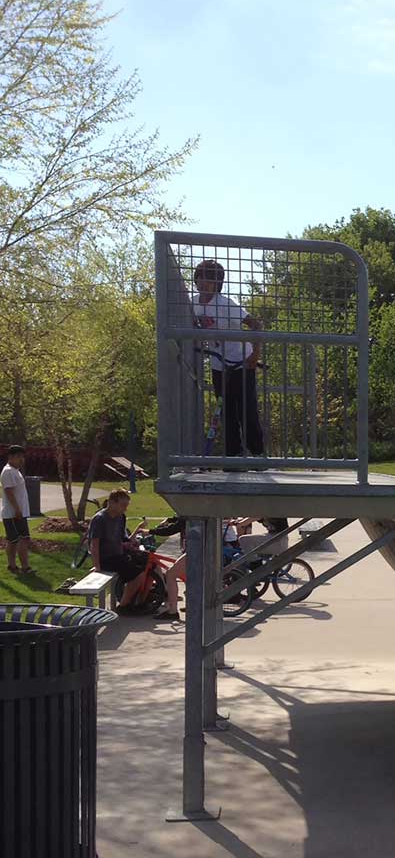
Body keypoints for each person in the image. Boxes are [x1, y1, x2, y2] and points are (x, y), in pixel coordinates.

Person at [189, 259, 268, 457]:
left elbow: (256, 325)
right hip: (218, 364)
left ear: (218, 284)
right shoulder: (192, 304)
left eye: (210, 279)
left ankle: (258, 455)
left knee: (247, 411)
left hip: (242, 362)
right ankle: (233, 456)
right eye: (201, 278)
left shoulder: (225, 304)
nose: (204, 283)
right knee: (226, 412)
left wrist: (255, 354)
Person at [89, 489, 181, 619]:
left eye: (126, 505)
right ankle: (123, 606)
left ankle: (142, 601)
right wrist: (97, 567)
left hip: (120, 554)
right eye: (123, 505)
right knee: (137, 574)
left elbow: (124, 538)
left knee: (152, 563)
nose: (125, 509)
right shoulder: (99, 519)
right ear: (112, 502)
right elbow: (94, 545)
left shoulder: (121, 517)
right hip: (107, 558)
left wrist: (135, 538)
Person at [2, 444, 30, 575]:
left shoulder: (15, 471)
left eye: (22, 457)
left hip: (17, 512)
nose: (21, 459)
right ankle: (25, 567)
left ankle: (12, 566)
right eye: (18, 457)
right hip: (14, 513)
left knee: (12, 541)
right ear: (11, 457)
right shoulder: (8, 471)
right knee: (23, 539)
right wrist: (17, 510)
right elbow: (9, 492)